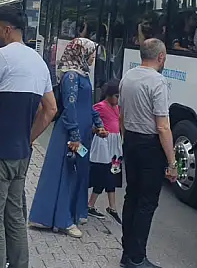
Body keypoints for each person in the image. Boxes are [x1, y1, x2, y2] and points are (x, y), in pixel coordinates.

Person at [0, 5, 58, 268]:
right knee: (14, 216)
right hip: (20, 155)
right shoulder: (38, 61)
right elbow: (51, 109)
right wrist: (28, 138)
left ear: (6, 29)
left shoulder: (1, 57)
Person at [29, 38, 106, 238]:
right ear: (82, 52)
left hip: (83, 132)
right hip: (71, 134)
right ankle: (62, 220)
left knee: (78, 172)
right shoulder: (71, 76)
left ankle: (72, 213)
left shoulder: (82, 74)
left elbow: (86, 105)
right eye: (91, 53)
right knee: (66, 173)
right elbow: (70, 107)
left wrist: (98, 123)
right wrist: (75, 136)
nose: (93, 58)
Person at [119, 38, 177, 268]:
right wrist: (172, 161)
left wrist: (126, 141)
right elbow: (162, 126)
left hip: (131, 141)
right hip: (150, 146)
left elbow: (122, 115)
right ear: (161, 57)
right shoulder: (158, 82)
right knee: (146, 203)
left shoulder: (128, 76)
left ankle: (127, 252)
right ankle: (137, 257)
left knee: (131, 197)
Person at [87, 80, 123, 224]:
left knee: (113, 173)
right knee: (103, 173)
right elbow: (89, 123)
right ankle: (91, 204)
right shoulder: (100, 107)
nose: (117, 99)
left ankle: (112, 206)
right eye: (116, 95)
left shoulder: (117, 107)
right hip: (104, 145)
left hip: (115, 146)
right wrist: (97, 130)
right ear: (108, 95)